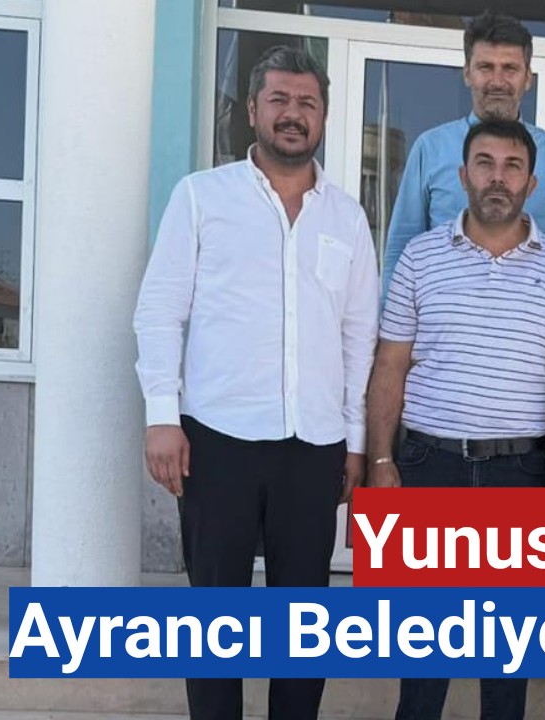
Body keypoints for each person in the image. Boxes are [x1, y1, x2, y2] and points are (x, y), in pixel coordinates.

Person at [133, 46, 378, 720]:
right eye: (280, 100)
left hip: (315, 446)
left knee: (304, 626)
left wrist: (355, 442)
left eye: (307, 103)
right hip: (217, 441)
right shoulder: (201, 197)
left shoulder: (347, 217)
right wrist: (162, 416)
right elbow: (160, 311)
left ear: (323, 115)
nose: (293, 114)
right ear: (251, 110)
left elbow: (359, 335)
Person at [367, 118, 545, 720]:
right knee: (422, 655)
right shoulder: (420, 257)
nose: (498, 178)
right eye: (485, 164)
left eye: (513, 166)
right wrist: (380, 459)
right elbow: (390, 364)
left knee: (508, 659)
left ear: (533, 183)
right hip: (427, 466)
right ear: (462, 176)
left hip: (522, 472)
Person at [382, 11, 545, 292]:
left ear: (528, 78)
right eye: (485, 67)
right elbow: (401, 247)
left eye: (510, 68)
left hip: (531, 316)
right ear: (467, 73)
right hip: (445, 314)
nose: (497, 81)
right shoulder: (430, 149)